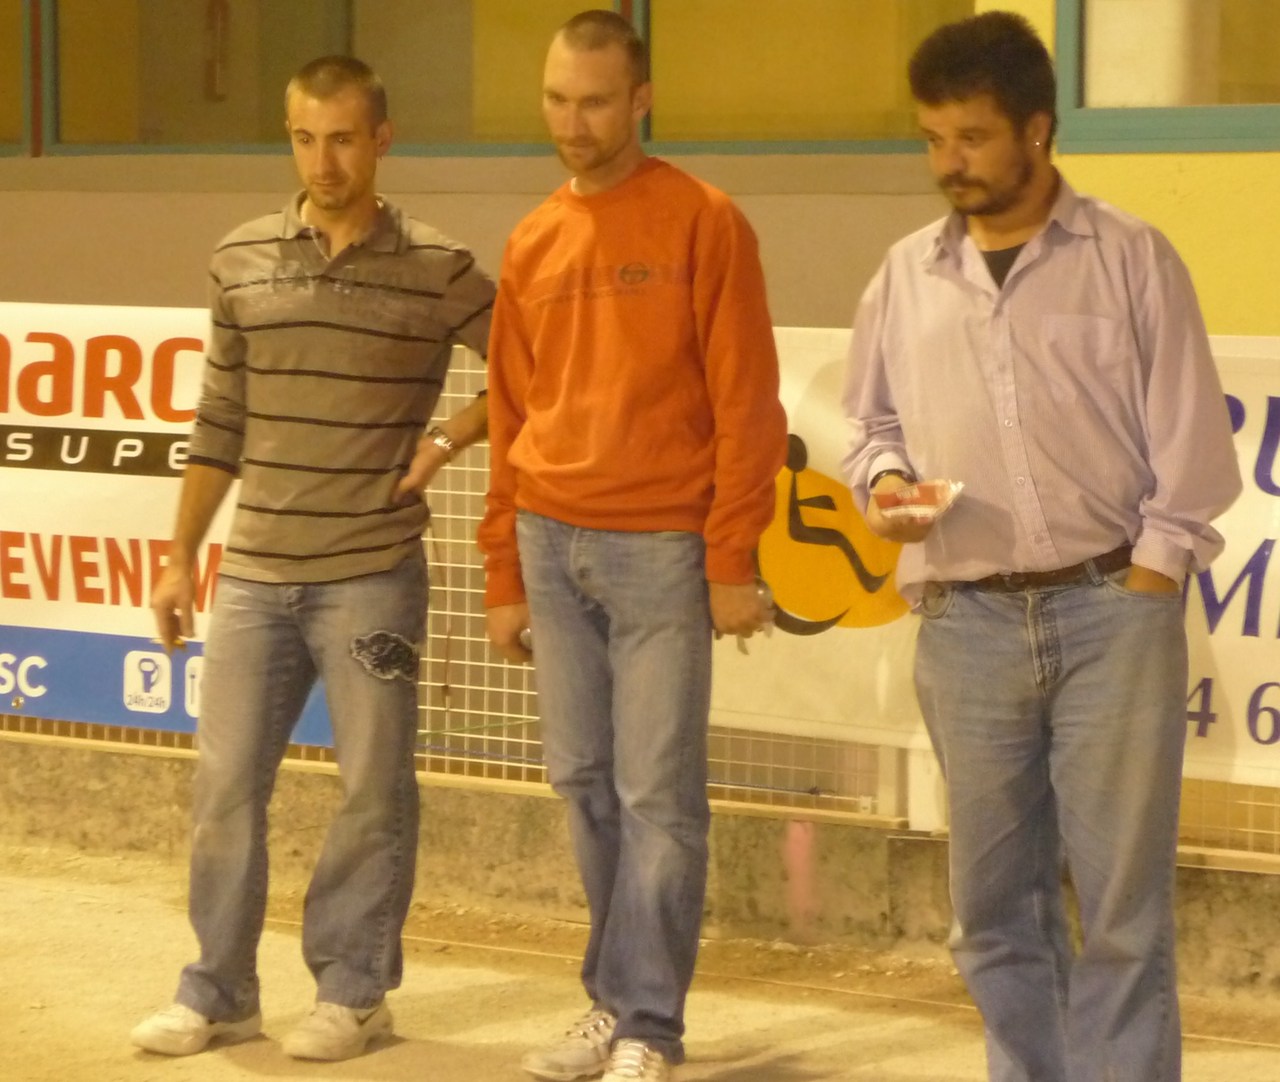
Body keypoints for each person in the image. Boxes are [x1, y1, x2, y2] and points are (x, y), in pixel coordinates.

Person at [843, 12, 1241, 1082]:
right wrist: (884, 487)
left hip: (1111, 613)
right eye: (932, 139)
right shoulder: (904, 274)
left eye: (971, 137)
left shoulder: (1129, 259)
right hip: (964, 623)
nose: (949, 163)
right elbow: (870, 424)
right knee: (990, 912)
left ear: (1035, 129)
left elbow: (1192, 443)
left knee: (1119, 914)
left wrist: (1150, 577)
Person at [130, 55, 495, 1062]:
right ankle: (218, 991)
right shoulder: (239, 257)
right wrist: (178, 558)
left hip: (372, 574)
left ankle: (354, 991)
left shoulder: (439, 265)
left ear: (381, 139)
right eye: (303, 138)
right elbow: (219, 419)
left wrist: (445, 440)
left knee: (372, 789)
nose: (322, 160)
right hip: (253, 574)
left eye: (341, 138)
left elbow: (536, 367)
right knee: (223, 788)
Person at [477, 10, 787, 1081]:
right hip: (547, 538)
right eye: (557, 100)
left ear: (641, 99)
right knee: (582, 781)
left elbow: (747, 400)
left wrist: (730, 557)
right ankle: (610, 1002)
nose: (573, 122)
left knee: (658, 793)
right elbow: (509, 410)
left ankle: (650, 1021)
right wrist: (505, 568)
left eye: (596, 101)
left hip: (660, 545)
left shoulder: (705, 221)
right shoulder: (532, 238)